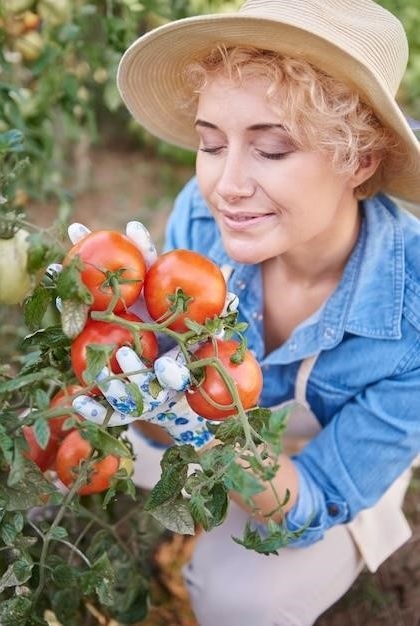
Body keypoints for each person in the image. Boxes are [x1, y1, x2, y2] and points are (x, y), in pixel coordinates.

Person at [74, 1, 420, 624]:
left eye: (273, 149)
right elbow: (159, 408)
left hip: (318, 462)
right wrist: (148, 390)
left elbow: (313, 496)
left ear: (359, 161)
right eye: (211, 144)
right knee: (70, 430)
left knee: (244, 598)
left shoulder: (413, 315)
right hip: (215, 420)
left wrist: (199, 430)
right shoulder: (205, 219)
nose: (225, 185)